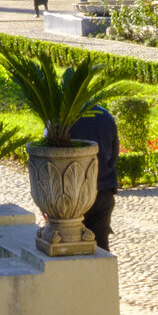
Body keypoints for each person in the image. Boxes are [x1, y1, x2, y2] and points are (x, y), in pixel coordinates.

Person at [68, 101, 118, 251]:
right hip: (103, 190)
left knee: (72, 247)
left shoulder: (62, 120)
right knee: (101, 245)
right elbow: (114, 154)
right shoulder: (105, 116)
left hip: (72, 195)